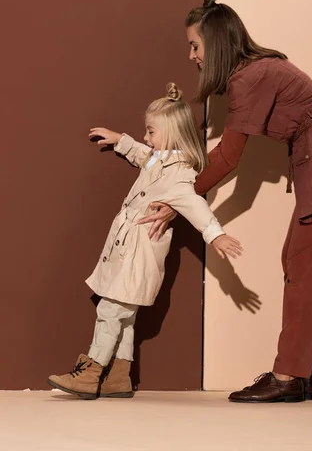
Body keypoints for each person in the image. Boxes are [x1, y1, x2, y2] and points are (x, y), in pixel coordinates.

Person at [138, 0, 312, 404]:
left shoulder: (249, 78)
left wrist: (180, 198)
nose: (191, 56)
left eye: (195, 45)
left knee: (305, 266)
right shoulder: (253, 73)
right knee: (299, 260)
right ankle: (299, 372)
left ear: (215, 44)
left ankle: (288, 376)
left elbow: (229, 156)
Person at [47, 83, 242, 400]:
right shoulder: (158, 161)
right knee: (125, 317)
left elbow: (196, 207)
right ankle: (119, 377)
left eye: (151, 132)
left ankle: (92, 371)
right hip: (126, 250)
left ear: (171, 134)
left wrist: (215, 235)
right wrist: (121, 140)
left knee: (110, 311)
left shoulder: (180, 174)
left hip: (139, 255)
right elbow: (144, 155)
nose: (148, 139)